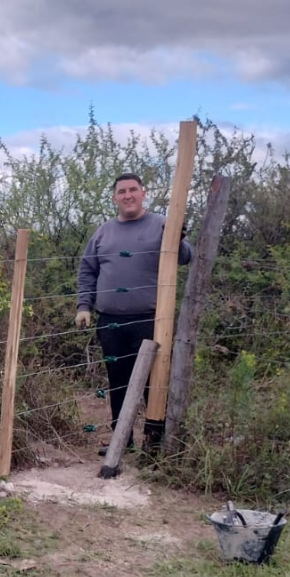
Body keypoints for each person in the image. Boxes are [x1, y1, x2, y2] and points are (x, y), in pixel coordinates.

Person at [76, 173, 192, 455]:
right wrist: (84, 306)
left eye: (133, 190)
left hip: (152, 321)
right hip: (110, 321)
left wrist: (177, 237)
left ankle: (154, 446)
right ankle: (122, 442)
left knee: (155, 383)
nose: (127, 195)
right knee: (118, 381)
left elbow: (186, 257)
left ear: (143, 193)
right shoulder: (103, 232)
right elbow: (87, 270)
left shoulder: (162, 224)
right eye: (121, 191)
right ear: (115, 198)